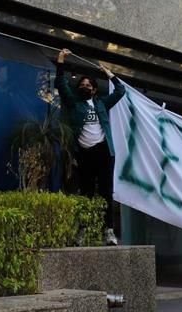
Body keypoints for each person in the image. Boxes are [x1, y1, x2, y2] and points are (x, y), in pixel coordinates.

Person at [55, 48, 127, 246]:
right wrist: (61, 60)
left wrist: (109, 74)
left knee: (106, 192)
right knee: (85, 194)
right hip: (84, 153)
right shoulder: (74, 103)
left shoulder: (102, 104)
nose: (85, 86)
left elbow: (121, 91)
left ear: (94, 90)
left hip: (104, 152)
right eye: (82, 84)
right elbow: (60, 84)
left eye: (88, 85)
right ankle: (82, 232)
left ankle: (109, 232)